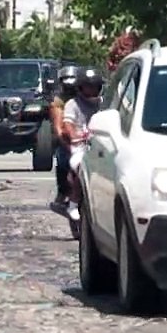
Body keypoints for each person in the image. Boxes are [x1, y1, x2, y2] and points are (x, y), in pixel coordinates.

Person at [61, 68, 104, 222]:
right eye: (88, 86)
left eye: (94, 86)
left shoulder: (103, 104)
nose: (91, 89)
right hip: (80, 147)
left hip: (100, 145)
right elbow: (68, 124)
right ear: (80, 87)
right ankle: (72, 204)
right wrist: (74, 136)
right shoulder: (72, 104)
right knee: (82, 166)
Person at [48, 65, 81, 212]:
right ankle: (62, 193)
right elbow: (58, 129)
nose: (70, 89)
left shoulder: (89, 97)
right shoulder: (58, 101)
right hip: (67, 140)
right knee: (63, 158)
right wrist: (70, 146)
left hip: (86, 137)